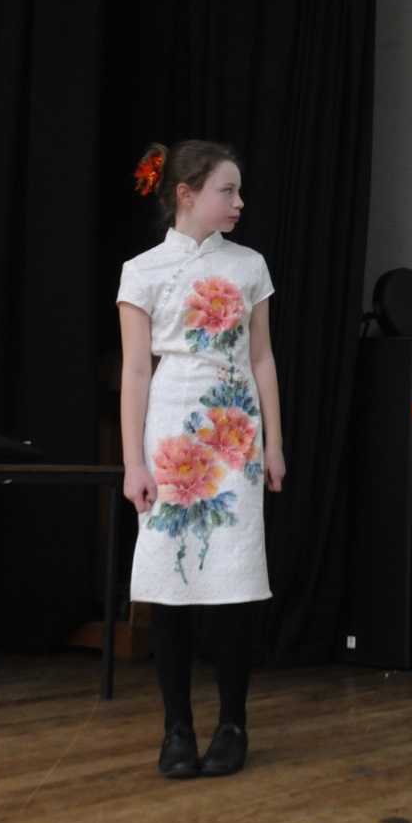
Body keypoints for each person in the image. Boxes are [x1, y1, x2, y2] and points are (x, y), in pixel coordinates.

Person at [118, 140, 285, 779]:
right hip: (171, 430)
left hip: (234, 433)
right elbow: (136, 370)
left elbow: (262, 357)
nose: (239, 202)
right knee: (169, 581)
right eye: (227, 190)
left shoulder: (249, 266)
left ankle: (233, 723)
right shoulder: (142, 270)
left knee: (235, 577)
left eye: (239, 191)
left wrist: (275, 444)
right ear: (186, 194)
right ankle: (177, 729)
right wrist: (134, 462)